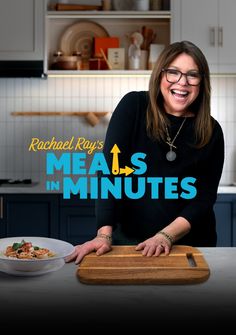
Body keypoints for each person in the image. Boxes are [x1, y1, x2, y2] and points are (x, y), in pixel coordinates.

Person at [67, 40, 224, 265]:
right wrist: (104, 234)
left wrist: (165, 236)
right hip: (131, 242)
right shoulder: (134, 106)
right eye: (173, 72)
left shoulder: (211, 130)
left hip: (190, 244)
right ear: (160, 76)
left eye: (193, 75)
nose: (182, 82)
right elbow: (110, 173)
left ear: (202, 83)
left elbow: (203, 197)